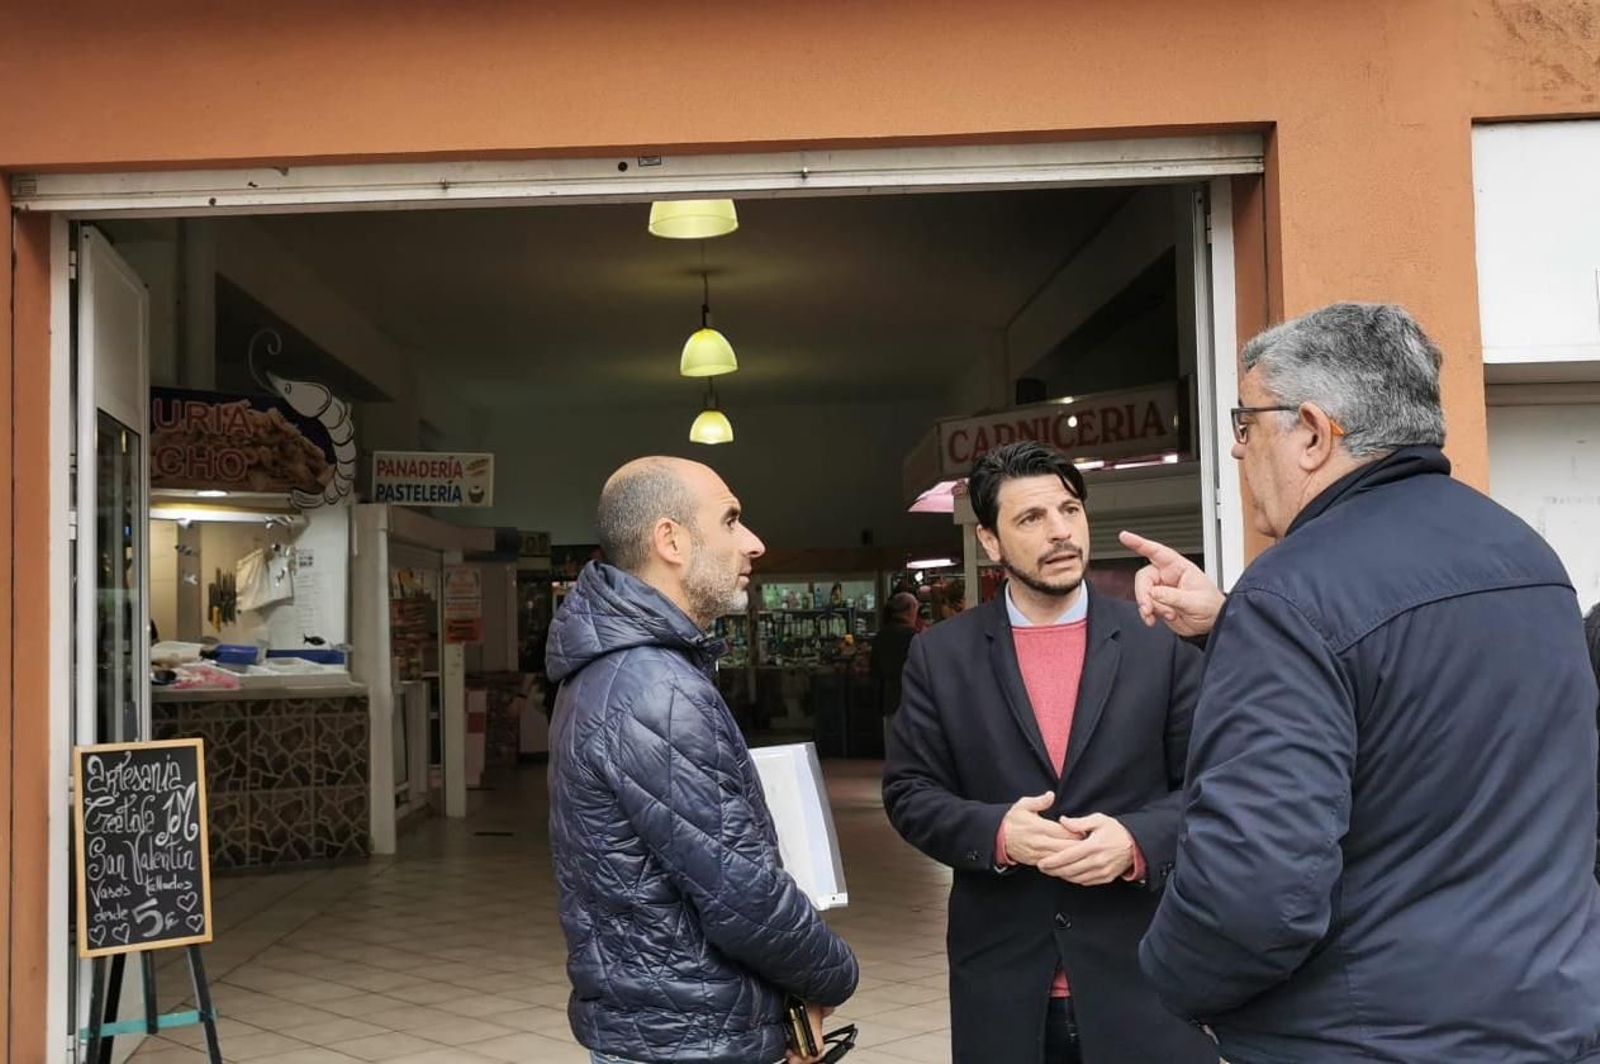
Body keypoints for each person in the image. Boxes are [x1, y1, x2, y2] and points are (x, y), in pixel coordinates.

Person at [1125, 302, 1600, 1063]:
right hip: (1547, 1023)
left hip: (1365, 1038)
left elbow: (1253, 897)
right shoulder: (1529, 559)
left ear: (1313, 432)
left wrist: (1170, 978)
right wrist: (1232, 626)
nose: (1239, 451)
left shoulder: (1290, 593)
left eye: (1246, 424)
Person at [882, 441, 1215, 1064]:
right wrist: (999, 832)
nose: (1060, 532)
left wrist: (1138, 842)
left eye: (1069, 510)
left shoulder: (1158, 642)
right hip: (1005, 986)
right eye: (1031, 518)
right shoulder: (941, 655)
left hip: (1145, 977)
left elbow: (1210, 786)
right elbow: (909, 793)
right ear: (991, 541)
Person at [546, 457, 858, 1064]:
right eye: (732, 520)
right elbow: (742, 895)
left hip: (659, 1023)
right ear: (671, 540)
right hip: (691, 1037)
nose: (754, 542)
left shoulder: (620, 668)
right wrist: (835, 975)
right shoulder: (655, 688)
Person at [870, 592, 920, 754]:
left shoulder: (881, 636)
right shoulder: (915, 637)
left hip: (890, 697)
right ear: (911, 610)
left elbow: (875, 669)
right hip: (913, 696)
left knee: (893, 743)